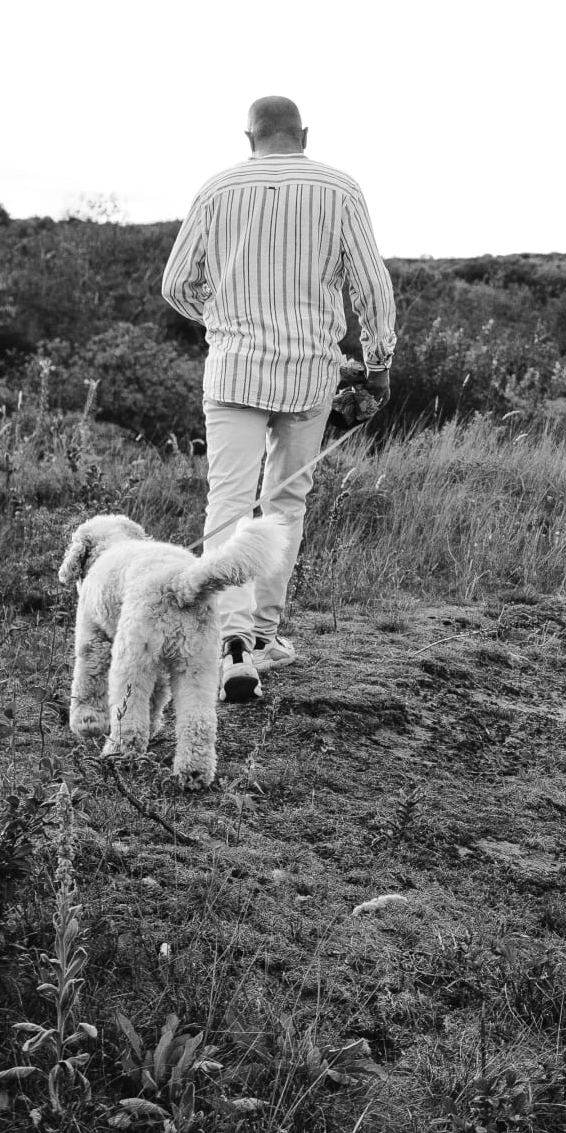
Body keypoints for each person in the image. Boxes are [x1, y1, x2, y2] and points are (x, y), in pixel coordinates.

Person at [159, 95, 396, 704]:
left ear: (249, 137)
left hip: (234, 371)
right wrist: (377, 364)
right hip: (308, 370)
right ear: (303, 133)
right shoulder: (339, 188)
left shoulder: (218, 189)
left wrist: (223, 319)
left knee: (229, 501)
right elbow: (371, 284)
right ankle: (262, 637)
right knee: (286, 502)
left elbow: (176, 284)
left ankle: (227, 644)